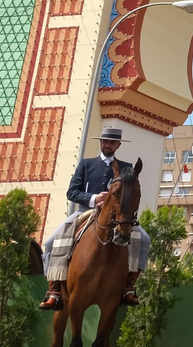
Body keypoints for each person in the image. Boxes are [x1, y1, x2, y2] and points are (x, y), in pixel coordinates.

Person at [41, 124, 150, 310]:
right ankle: (54, 291)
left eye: (112, 142)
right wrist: (94, 198)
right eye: (105, 141)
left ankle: (129, 287)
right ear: (101, 142)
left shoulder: (126, 168)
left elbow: (130, 194)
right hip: (84, 210)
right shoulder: (86, 164)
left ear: (118, 145)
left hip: (117, 216)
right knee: (51, 242)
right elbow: (72, 192)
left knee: (145, 239)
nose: (107, 145)